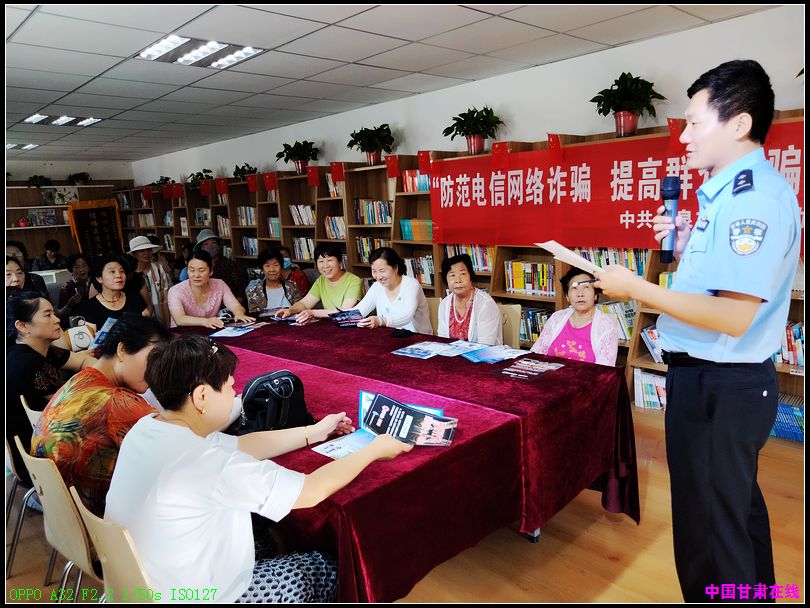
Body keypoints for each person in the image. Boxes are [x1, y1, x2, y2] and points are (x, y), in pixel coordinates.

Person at [594, 60, 801, 602]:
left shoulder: (753, 199)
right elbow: (720, 286)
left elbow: (733, 316)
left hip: (719, 387)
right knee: (734, 516)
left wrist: (636, 289)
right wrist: (686, 247)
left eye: (693, 122)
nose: (683, 136)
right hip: (715, 382)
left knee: (710, 534)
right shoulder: (726, 194)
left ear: (739, 124)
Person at [105, 335, 412, 602]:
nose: (234, 394)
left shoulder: (149, 427)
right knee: (330, 568)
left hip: (140, 586)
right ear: (202, 396)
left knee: (267, 536)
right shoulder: (207, 464)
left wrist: (314, 432)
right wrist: (373, 451)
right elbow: (310, 490)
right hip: (194, 594)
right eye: (229, 387)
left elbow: (242, 445)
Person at [31, 313, 170, 515]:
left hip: (62, 513)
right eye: (154, 358)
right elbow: (177, 442)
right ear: (122, 350)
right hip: (101, 518)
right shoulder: (117, 401)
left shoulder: (79, 380)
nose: (158, 370)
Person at [6, 292, 96, 486]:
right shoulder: (30, 363)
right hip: (40, 463)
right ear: (23, 326)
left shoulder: (36, 349)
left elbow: (80, 360)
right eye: (48, 315)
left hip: (42, 446)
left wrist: (96, 366)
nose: (57, 319)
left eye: (54, 313)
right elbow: (77, 405)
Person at [530, 268, 619, 366]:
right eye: (574, 288)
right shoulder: (557, 318)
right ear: (567, 296)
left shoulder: (606, 326)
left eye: (586, 287)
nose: (580, 294)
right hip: (550, 373)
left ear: (596, 295)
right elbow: (536, 355)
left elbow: (604, 370)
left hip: (585, 376)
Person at [275, 243, 362, 324]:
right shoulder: (321, 280)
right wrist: (290, 310)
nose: (325, 265)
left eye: (329, 260)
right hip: (332, 325)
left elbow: (345, 311)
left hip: (351, 326)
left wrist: (313, 313)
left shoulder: (354, 280)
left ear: (339, 262)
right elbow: (305, 303)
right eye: (321, 261)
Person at [168, 249, 254, 329]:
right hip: (182, 335)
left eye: (201, 270)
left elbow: (236, 306)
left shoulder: (219, 284)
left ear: (211, 271)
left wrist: (239, 313)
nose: (196, 275)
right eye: (192, 270)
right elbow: (179, 319)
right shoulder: (176, 291)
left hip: (208, 332)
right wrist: (206, 321)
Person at [356, 247, 432, 334]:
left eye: (382, 271)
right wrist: (343, 317)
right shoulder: (377, 287)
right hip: (388, 335)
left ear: (395, 268)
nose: (378, 276)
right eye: (374, 271)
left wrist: (380, 321)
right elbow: (358, 311)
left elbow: (406, 316)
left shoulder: (411, 285)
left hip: (417, 337)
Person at [437, 253, 502, 345]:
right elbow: (442, 341)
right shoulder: (444, 304)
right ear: (446, 280)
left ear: (470, 276)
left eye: (462, 274)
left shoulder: (485, 304)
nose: (458, 280)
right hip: (451, 353)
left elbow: (486, 345)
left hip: (483, 352)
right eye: (452, 275)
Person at [75, 254, 148, 328]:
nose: (118, 275)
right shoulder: (88, 308)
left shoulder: (134, 298)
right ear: (99, 278)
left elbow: (149, 327)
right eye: (112, 272)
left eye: (121, 271)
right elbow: (87, 335)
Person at [195, 229, 247, 307]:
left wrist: (233, 309)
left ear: (218, 246)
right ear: (200, 249)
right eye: (206, 244)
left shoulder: (230, 265)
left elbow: (240, 292)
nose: (210, 246)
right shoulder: (197, 267)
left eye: (213, 243)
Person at [128, 236, 172, 325]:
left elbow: (166, 289)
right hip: (143, 316)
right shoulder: (131, 275)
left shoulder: (158, 267)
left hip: (164, 312)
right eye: (142, 250)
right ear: (134, 254)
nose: (146, 253)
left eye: (149, 250)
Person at [245, 248, 302, 313]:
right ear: (262, 269)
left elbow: (299, 309)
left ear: (281, 267)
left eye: (276, 265)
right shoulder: (254, 291)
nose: (272, 270)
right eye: (267, 266)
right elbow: (254, 316)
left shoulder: (292, 286)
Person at [57, 253, 94, 322]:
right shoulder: (66, 288)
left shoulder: (96, 283)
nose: (81, 270)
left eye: (84, 266)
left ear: (89, 267)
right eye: (76, 267)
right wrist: (69, 305)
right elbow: (59, 315)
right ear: (71, 270)